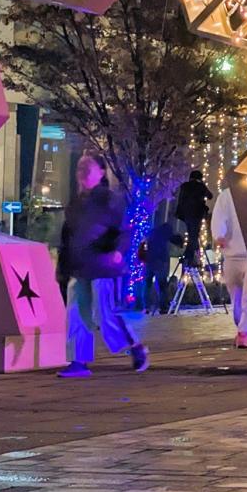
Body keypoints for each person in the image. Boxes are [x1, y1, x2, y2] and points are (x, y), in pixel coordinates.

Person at [57, 155, 147, 377]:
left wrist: (118, 251)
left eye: (89, 168)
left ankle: (135, 347)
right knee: (77, 313)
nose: (83, 172)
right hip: (79, 267)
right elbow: (66, 237)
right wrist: (62, 268)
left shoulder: (110, 200)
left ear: (101, 172)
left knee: (104, 315)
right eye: (80, 168)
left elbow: (125, 231)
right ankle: (78, 361)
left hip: (103, 266)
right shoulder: (75, 204)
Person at [207, 183, 247, 347]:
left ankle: (244, 332)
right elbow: (219, 216)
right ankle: (241, 326)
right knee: (235, 295)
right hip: (231, 254)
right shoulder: (227, 196)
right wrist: (219, 235)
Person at [141, 210, 184, 315]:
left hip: (150, 260)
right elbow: (175, 240)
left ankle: (146, 306)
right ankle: (163, 307)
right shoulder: (166, 232)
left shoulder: (153, 232)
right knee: (162, 285)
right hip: (161, 261)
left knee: (148, 284)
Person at [173, 170, 213, 268]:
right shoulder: (200, 187)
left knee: (192, 235)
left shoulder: (184, 186)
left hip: (186, 215)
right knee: (194, 235)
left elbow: (180, 200)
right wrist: (203, 184)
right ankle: (191, 258)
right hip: (196, 214)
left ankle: (189, 257)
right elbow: (210, 196)